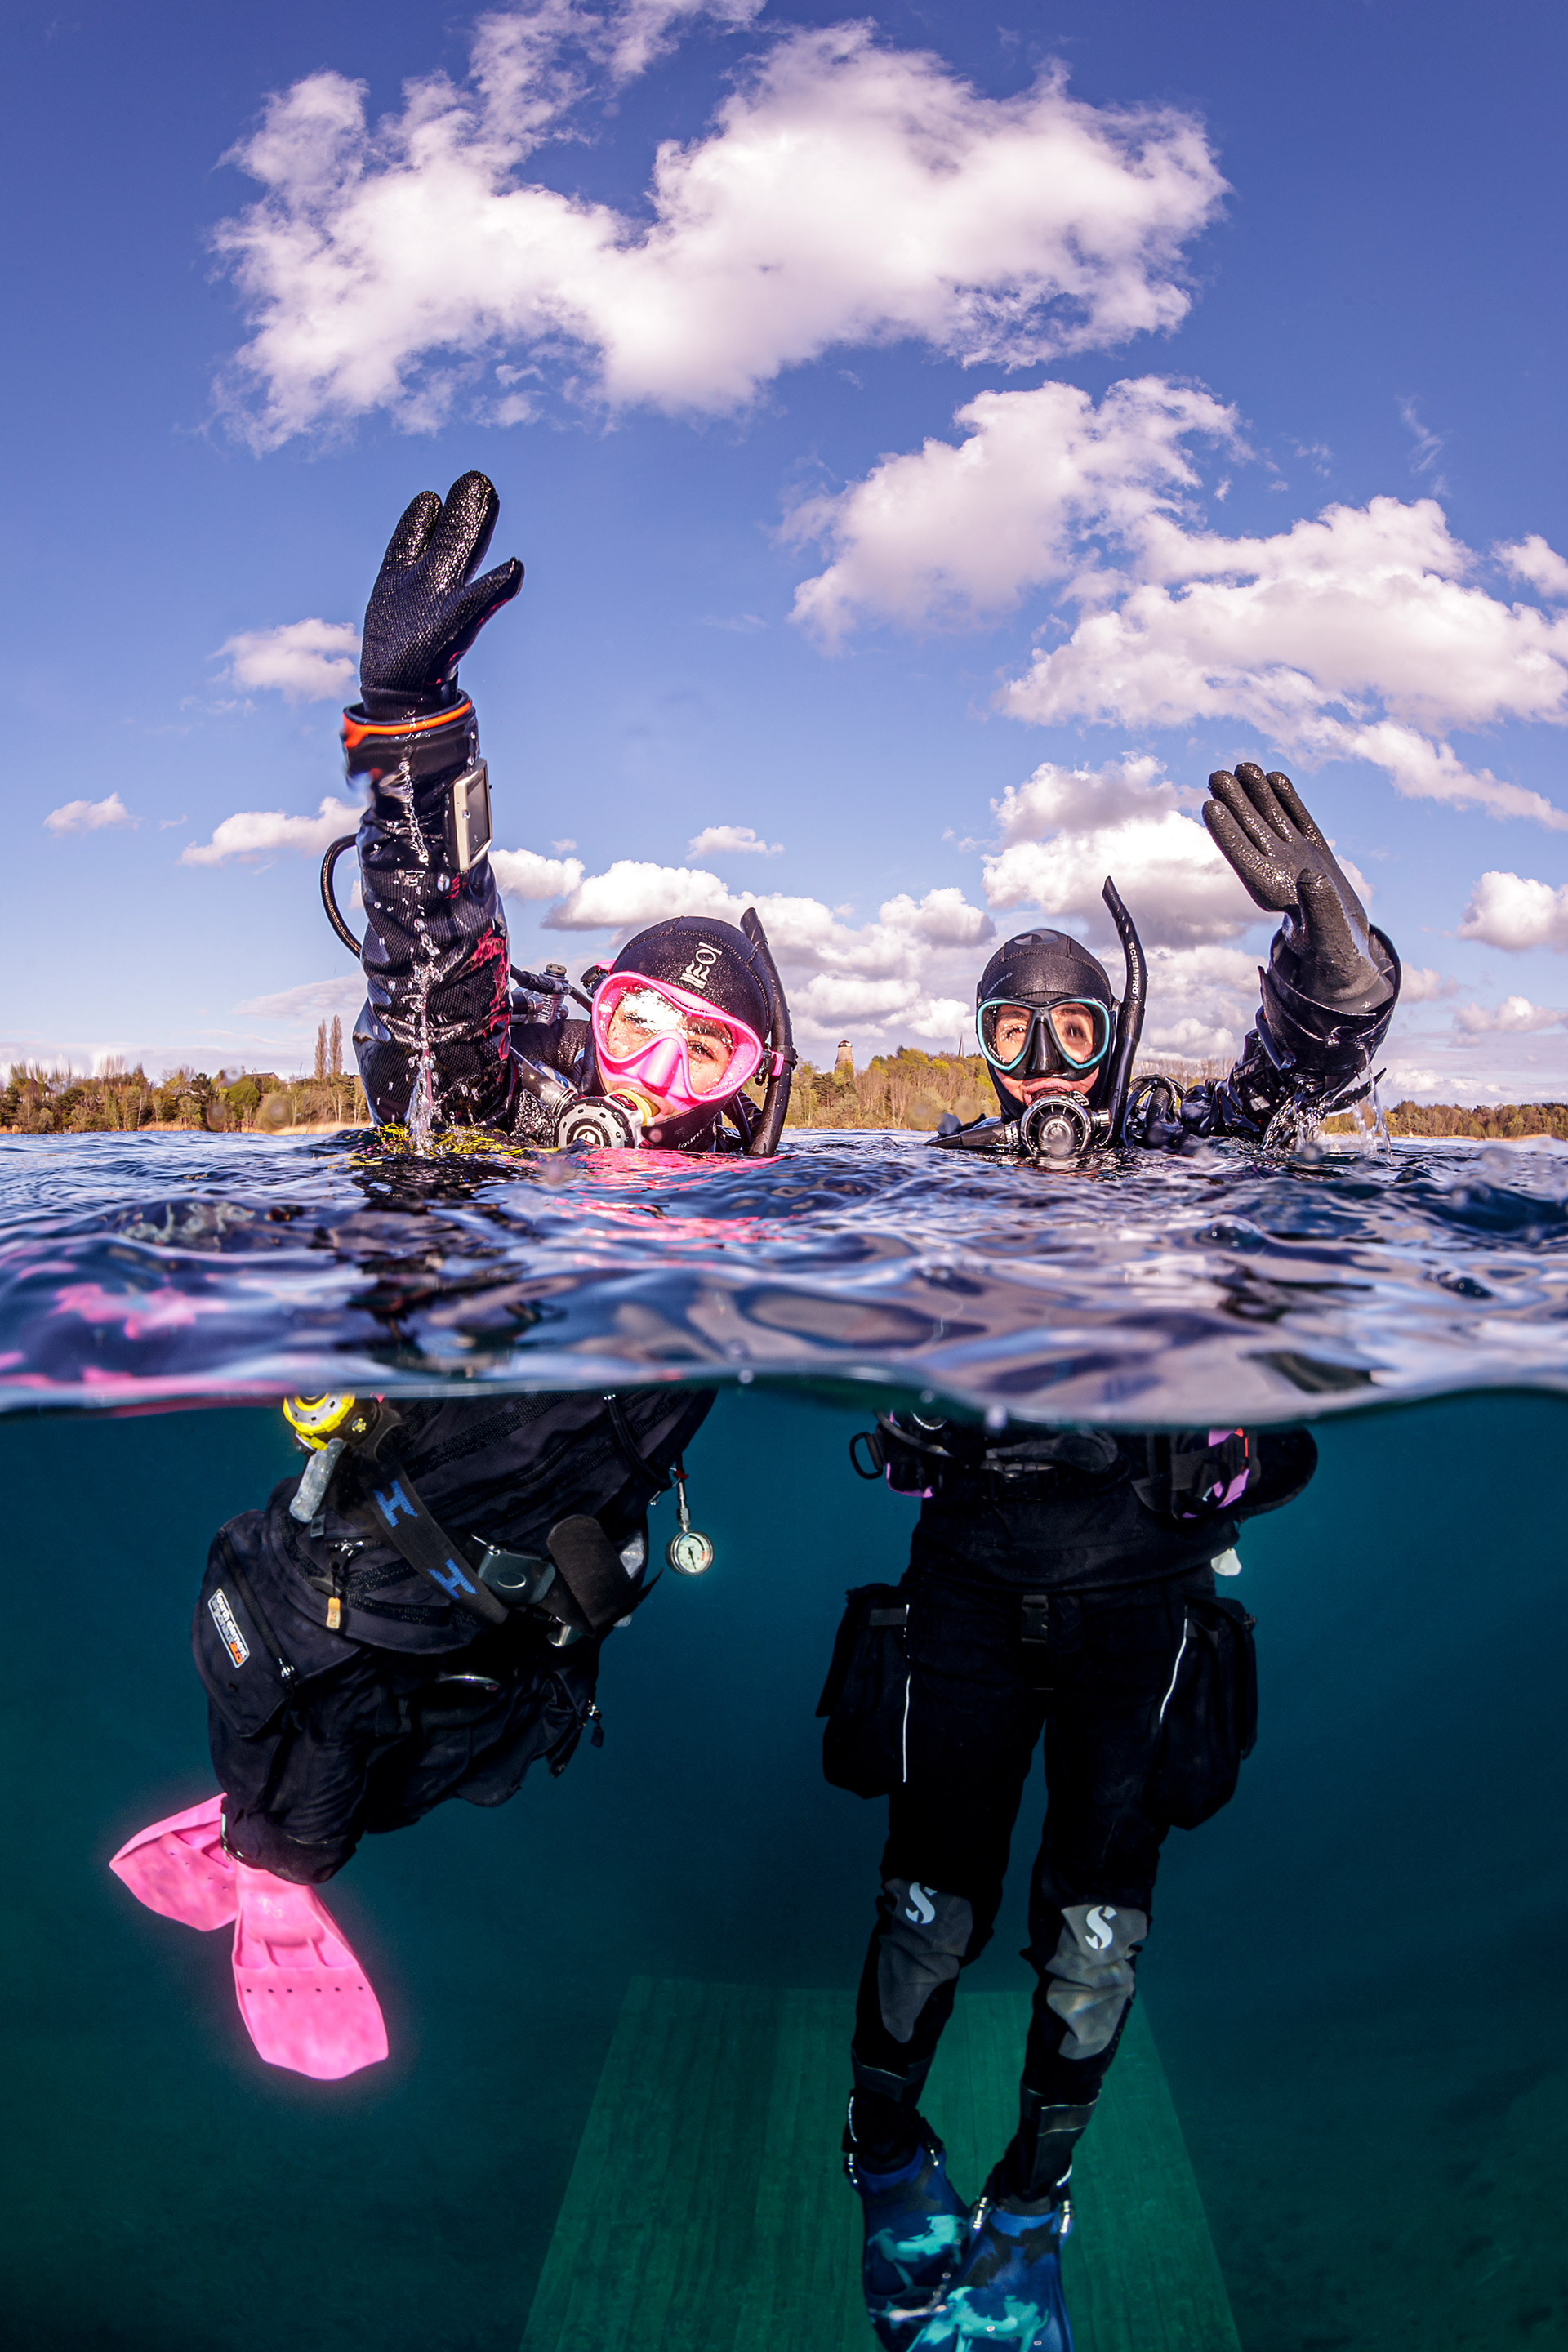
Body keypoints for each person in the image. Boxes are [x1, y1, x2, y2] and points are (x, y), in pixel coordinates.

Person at [109, 474, 795, 2080]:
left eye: (704, 1053)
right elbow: (436, 983)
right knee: (307, 1705)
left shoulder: (754, 1221)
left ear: (751, 1088)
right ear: (592, 1026)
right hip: (366, 1567)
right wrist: (414, 735)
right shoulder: (494, 1123)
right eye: (634, 1027)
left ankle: (273, 1833)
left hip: (532, 1624)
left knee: (460, 1746)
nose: (656, 1080)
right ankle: (274, 1871)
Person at [831, 767, 1400, 2350]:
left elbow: (1311, 1067)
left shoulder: (1179, 1149)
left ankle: (1033, 2205)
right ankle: (885, 2154)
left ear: (1115, 1037)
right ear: (981, 1049)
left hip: (1144, 1611)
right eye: (1013, 1039)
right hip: (962, 1600)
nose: (1044, 1070)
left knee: (1095, 1935)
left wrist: (1327, 934)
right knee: (927, 1909)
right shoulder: (943, 1175)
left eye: (1072, 1032)